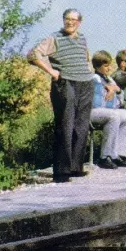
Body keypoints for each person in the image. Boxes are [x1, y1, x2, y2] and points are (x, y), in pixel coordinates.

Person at [28, 9, 94, 183]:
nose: (70, 22)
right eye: (67, 19)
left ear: (79, 22)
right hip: (66, 83)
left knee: (81, 127)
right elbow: (33, 55)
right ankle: (62, 171)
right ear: (63, 20)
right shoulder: (55, 38)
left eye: (74, 20)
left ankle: (75, 167)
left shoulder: (82, 38)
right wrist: (51, 71)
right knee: (65, 125)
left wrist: (90, 74)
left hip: (85, 83)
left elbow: (86, 59)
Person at [89, 51, 126, 169]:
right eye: (105, 66)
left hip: (108, 110)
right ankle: (105, 156)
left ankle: (117, 154)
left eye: (109, 65)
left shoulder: (110, 79)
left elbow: (120, 101)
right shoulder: (93, 78)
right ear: (96, 66)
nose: (109, 68)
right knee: (113, 116)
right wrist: (110, 90)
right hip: (93, 111)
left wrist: (118, 91)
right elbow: (98, 100)